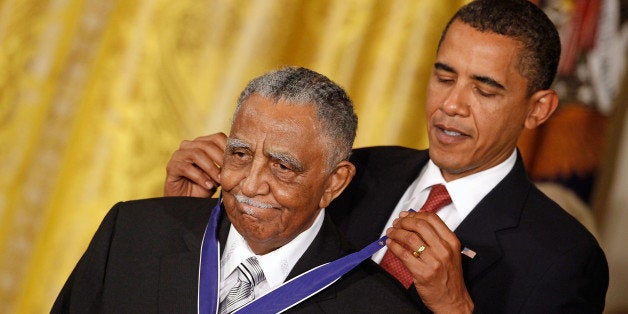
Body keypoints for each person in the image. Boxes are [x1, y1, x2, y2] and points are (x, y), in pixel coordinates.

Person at [163, 0, 610, 312]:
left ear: (538, 109)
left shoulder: (563, 257)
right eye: (444, 76)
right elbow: (250, 285)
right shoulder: (351, 173)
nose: (452, 104)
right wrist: (189, 215)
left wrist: (454, 308)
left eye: (484, 89)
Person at [52, 67, 418, 313]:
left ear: (334, 182)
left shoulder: (375, 305)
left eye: (282, 166)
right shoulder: (133, 232)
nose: (250, 184)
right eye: (241, 154)